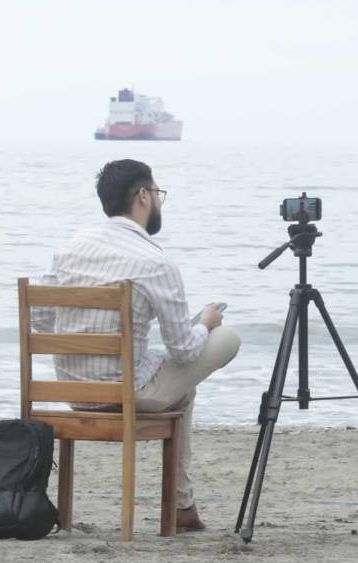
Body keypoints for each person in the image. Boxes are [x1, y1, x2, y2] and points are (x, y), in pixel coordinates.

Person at [32, 158, 241, 530]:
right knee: (227, 337)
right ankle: (180, 506)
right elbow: (185, 350)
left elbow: (40, 320)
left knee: (182, 389)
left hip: (72, 390)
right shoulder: (155, 262)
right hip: (127, 391)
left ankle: (184, 508)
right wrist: (206, 324)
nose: (159, 201)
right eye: (158, 193)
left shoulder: (69, 250)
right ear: (143, 196)